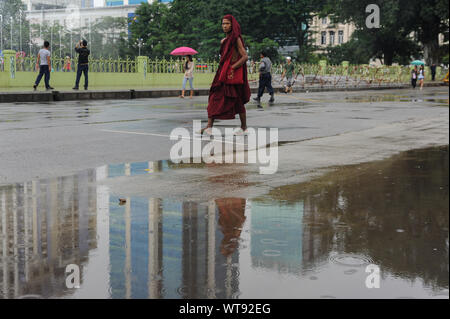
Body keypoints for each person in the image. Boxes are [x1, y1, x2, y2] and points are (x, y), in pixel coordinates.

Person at [199, 15, 251, 136]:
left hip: (232, 75)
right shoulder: (224, 40)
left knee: (237, 101)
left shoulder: (236, 38)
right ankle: (209, 127)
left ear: (232, 25)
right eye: (223, 24)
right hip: (222, 74)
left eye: (227, 23)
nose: (224, 26)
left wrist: (233, 67)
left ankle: (244, 127)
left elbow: (245, 56)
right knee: (214, 97)